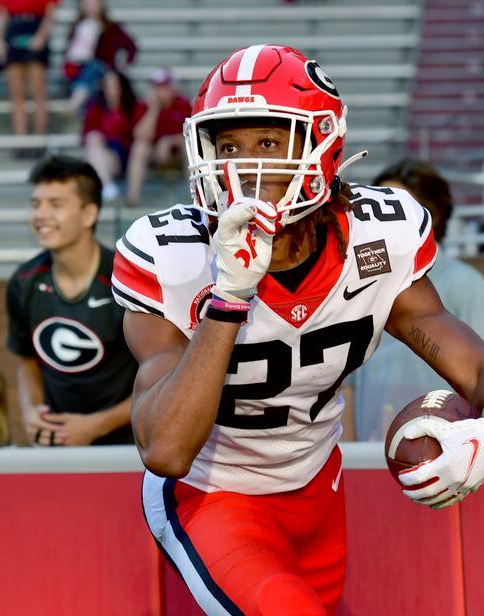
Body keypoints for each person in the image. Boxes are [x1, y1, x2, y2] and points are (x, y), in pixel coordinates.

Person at [111, 45, 484, 614]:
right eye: (228, 145)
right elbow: (164, 448)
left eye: (267, 142)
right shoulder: (173, 253)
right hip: (212, 494)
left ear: (321, 145)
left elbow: (468, 363)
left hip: (315, 485)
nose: (243, 167)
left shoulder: (377, 237)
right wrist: (229, 298)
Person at [5, 154, 138, 447]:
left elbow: (162, 377)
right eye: (36, 204)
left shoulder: (129, 280)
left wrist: (95, 426)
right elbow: (27, 361)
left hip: (130, 450)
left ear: (89, 214)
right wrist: (31, 412)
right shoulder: (24, 282)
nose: (41, 215)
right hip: (58, 449)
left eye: (56, 204)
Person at [351, 159, 484, 441]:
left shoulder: (464, 282)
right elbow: (348, 379)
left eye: (395, 209)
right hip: (369, 445)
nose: (381, 219)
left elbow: (478, 374)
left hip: (444, 448)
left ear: (431, 216)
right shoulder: (357, 280)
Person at [125, 68, 192, 207]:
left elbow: (192, 133)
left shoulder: (183, 104)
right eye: (158, 87)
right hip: (154, 155)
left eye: (165, 86)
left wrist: (168, 141)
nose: (161, 91)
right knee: (140, 148)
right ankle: (133, 199)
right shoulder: (144, 105)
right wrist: (153, 109)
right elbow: (139, 135)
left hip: (176, 155)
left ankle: (193, 196)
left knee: (188, 145)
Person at [0, 0, 59, 136]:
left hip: (36, 27)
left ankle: (39, 138)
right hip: (14, 30)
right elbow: (3, 16)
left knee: (38, 91)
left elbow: (51, 14)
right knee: (16, 93)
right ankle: (21, 139)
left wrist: (41, 37)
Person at [63, 0, 137, 117]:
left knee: (95, 67)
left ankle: (75, 105)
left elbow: (131, 46)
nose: (91, 7)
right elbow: (69, 52)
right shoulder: (77, 27)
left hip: (103, 71)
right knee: (87, 80)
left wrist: (126, 63)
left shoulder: (111, 28)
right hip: (80, 72)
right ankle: (82, 114)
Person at [82, 69, 143, 202]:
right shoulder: (96, 108)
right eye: (108, 86)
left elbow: (141, 134)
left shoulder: (133, 107)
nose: (112, 91)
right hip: (107, 156)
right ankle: (108, 186)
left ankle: (111, 189)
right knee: (93, 139)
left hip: (129, 156)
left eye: (115, 86)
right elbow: (86, 135)